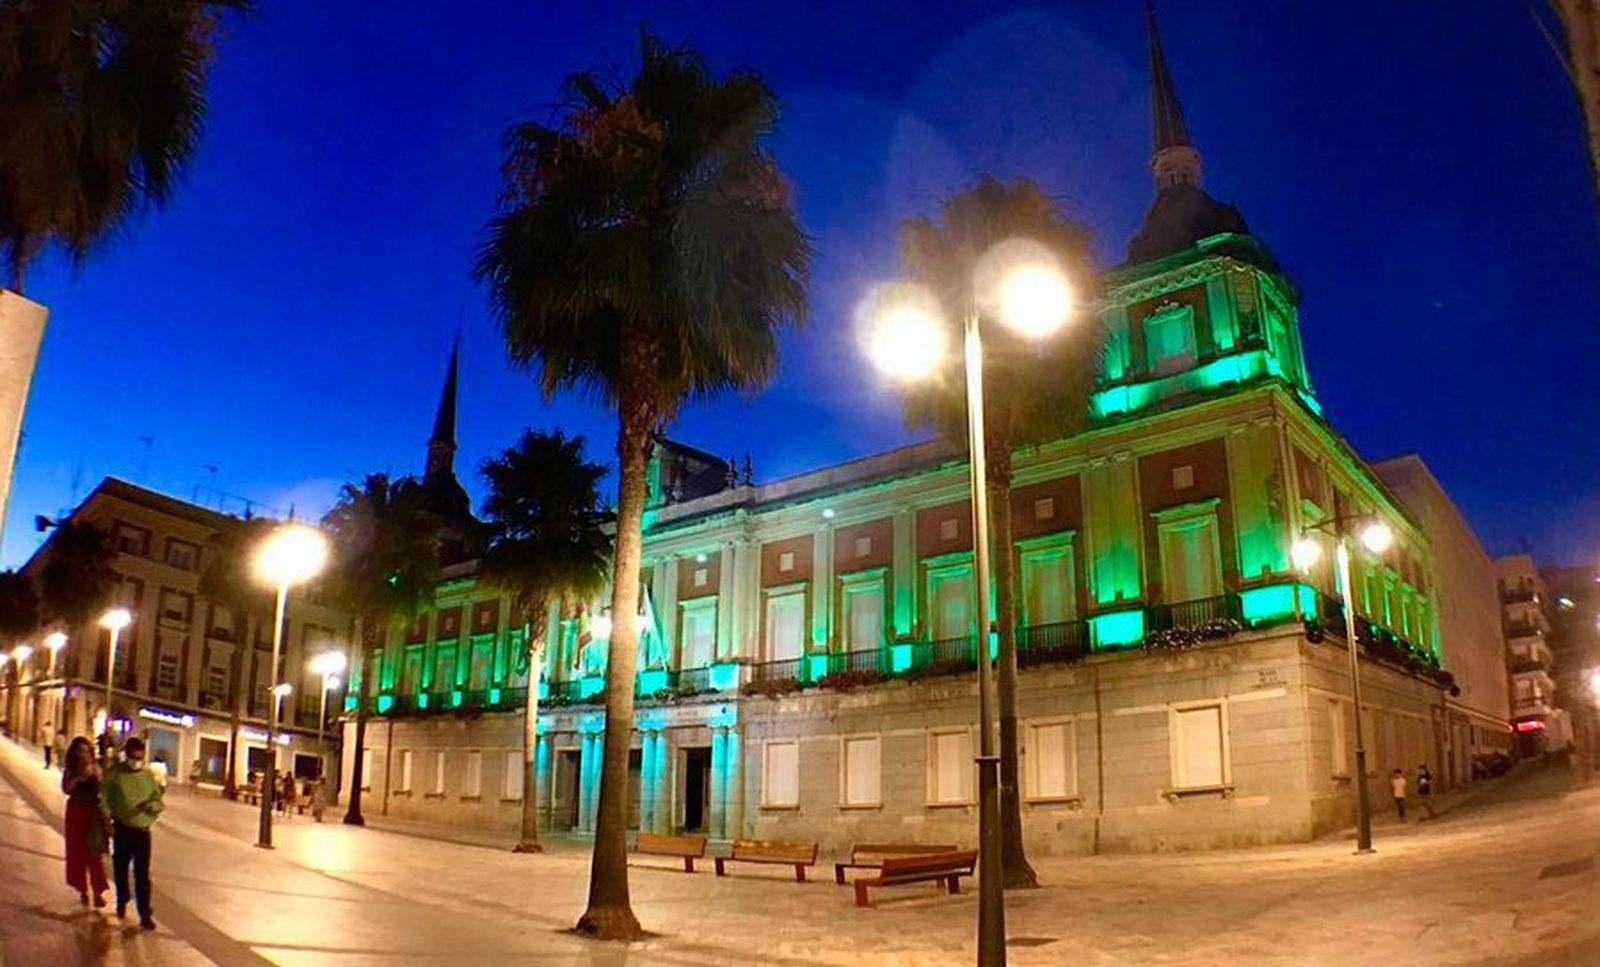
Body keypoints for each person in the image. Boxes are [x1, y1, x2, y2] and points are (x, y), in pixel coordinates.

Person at [101, 736, 164, 930]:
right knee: (120, 867)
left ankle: (144, 913)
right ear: (126, 754)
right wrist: (107, 819)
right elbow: (104, 798)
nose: (136, 761)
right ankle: (122, 898)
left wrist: (151, 805)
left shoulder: (147, 776)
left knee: (142, 874)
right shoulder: (114, 774)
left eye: (139, 757)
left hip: (142, 831)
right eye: (133, 756)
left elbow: (158, 800)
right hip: (122, 828)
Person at [61, 737, 109, 908]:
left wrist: (98, 777)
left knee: (94, 852)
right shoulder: (71, 769)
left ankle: (98, 892)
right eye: (80, 751)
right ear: (75, 753)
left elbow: (104, 789)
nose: (84, 754)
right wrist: (79, 778)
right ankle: (82, 889)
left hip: (93, 814)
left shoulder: (96, 768)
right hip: (75, 811)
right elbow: (66, 788)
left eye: (87, 751)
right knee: (76, 852)